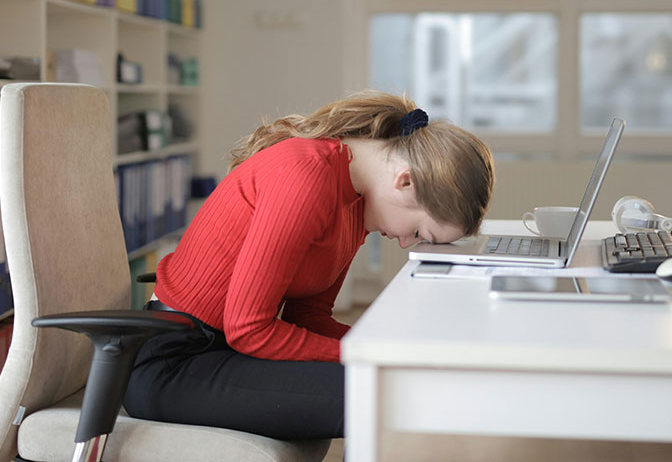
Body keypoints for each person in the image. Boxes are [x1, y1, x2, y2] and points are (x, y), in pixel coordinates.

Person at [123, 90, 494, 440]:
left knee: (394, 382)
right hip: (175, 364)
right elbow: (249, 329)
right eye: (418, 231)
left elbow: (309, 318)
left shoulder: (356, 204)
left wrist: (388, 347)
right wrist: (366, 352)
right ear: (406, 181)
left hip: (224, 352)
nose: (407, 242)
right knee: (385, 396)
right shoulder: (307, 175)